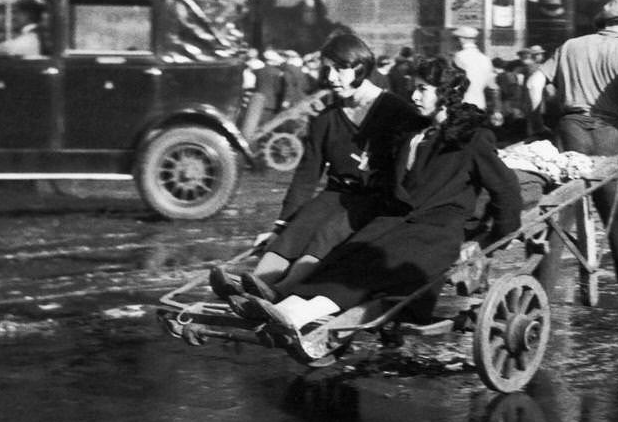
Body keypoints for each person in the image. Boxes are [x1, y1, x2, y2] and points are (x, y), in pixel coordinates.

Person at [223, 55, 521, 335]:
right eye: (413, 89)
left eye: (422, 90)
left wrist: (493, 239)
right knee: (343, 258)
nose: (415, 97)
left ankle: (294, 316)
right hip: (395, 222)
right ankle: (279, 308)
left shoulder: (473, 138)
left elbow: (506, 189)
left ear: (445, 93)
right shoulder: (413, 132)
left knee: (368, 271)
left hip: (436, 233)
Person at [211, 33, 427, 301]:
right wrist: (280, 226)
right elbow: (306, 176)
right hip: (336, 193)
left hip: (377, 198)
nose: (331, 78)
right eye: (327, 70)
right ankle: (254, 284)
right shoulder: (325, 119)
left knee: (329, 233)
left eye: (340, 69)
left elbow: (421, 158)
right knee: (300, 226)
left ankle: (279, 290)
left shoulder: (398, 112)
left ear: (360, 68)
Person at [525, 0, 618, 333]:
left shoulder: (569, 46)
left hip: (569, 132)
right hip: (609, 137)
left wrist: (535, 126)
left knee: (554, 221)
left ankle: (533, 306)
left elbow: (533, 82)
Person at [450, 24, 499, 119]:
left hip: (462, 106)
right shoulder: (486, 59)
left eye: (457, 39)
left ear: (462, 39)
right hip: (480, 105)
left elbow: (453, 84)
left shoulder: (458, 57)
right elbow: (492, 86)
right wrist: (496, 110)